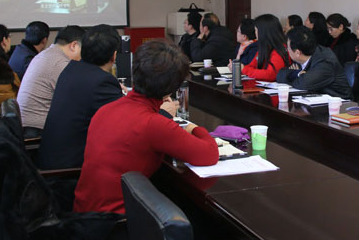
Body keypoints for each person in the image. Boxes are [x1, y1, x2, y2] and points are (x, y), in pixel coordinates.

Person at [73, 40, 219, 214]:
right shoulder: (153, 123)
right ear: (172, 88)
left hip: (82, 212)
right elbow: (209, 154)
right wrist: (193, 128)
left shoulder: (106, 109)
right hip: (114, 220)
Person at [37, 25, 124, 169]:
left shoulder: (71, 69)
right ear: (114, 56)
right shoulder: (102, 81)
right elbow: (126, 123)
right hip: (70, 170)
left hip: (51, 160)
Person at [17, 25, 85, 138]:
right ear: (74, 45)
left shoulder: (47, 54)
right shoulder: (59, 63)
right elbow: (78, 99)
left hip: (26, 124)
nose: (82, 57)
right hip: (37, 129)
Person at [276, 26, 351, 98]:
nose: (287, 51)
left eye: (288, 48)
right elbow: (280, 75)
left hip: (340, 103)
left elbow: (303, 84)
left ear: (297, 52)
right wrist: (297, 73)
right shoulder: (302, 56)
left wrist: (294, 77)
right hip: (316, 99)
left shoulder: (325, 61)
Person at [242, 14, 289, 81]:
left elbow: (270, 74)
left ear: (263, 32)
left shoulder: (278, 50)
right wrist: (241, 68)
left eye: (256, 30)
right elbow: (252, 66)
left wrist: (244, 69)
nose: (255, 33)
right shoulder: (264, 47)